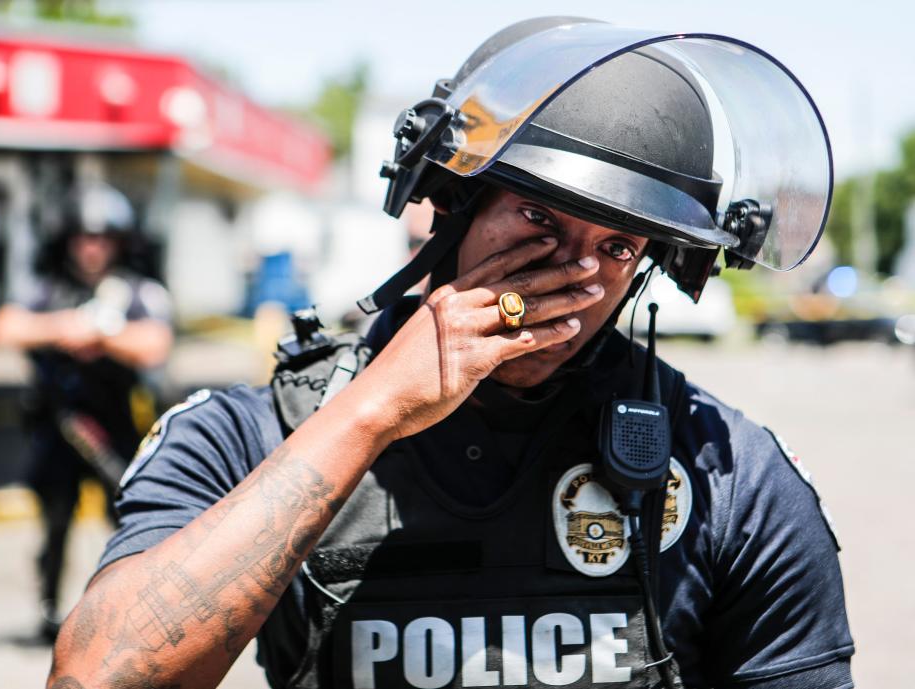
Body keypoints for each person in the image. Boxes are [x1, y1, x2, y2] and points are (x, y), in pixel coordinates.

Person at [47, 18, 853, 689]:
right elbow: (97, 676)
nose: (572, 273)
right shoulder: (250, 434)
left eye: (614, 246)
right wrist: (368, 414)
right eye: (538, 217)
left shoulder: (723, 472)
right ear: (450, 205)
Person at [0, 182, 173, 641]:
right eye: (84, 237)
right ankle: (51, 611)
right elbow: (4, 327)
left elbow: (156, 344)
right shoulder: (49, 290)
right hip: (58, 427)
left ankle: (132, 609)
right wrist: (62, 328)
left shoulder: (137, 291)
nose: (92, 248)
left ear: (118, 242)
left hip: (113, 429)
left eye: (103, 238)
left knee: (130, 517)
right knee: (55, 523)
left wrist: (105, 337)